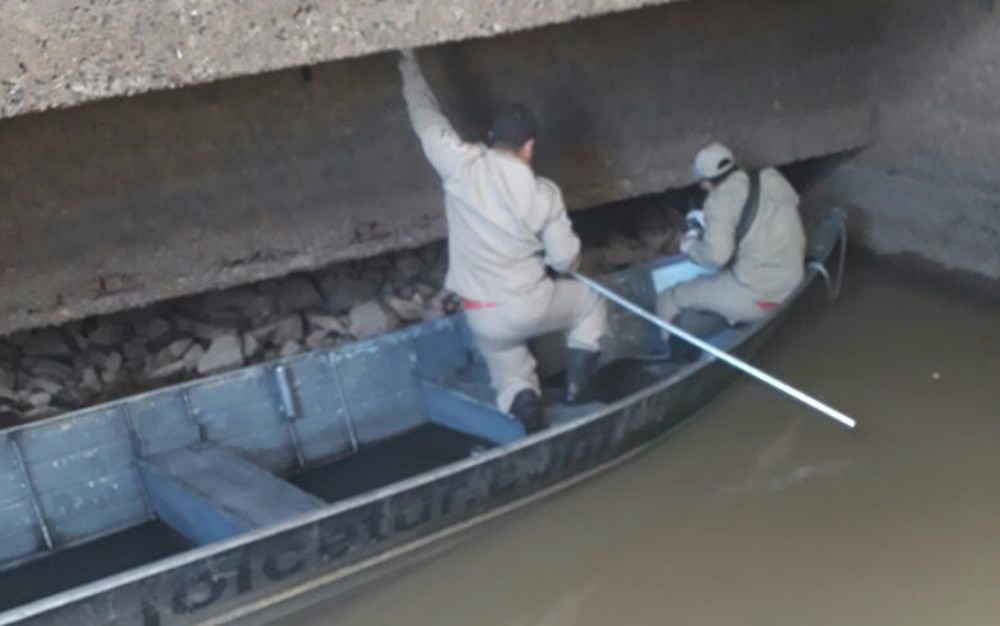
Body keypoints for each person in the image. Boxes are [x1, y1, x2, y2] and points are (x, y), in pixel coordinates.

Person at [398, 49, 606, 433]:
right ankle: (579, 391)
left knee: (506, 363)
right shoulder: (543, 194)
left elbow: (426, 120)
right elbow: (565, 262)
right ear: (529, 147)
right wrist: (554, 259)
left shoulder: (458, 165)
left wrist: (409, 65)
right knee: (591, 304)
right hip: (530, 306)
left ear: (491, 140)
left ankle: (525, 407)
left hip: (481, 314)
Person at [656, 143, 806, 360]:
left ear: (706, 183)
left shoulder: (720, 200)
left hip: (757, 294)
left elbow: (717, 257)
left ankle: (678, 365)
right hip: (793, 280)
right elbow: (763, 220)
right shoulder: (771, 176)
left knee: (667, 298)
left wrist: (690, 246)